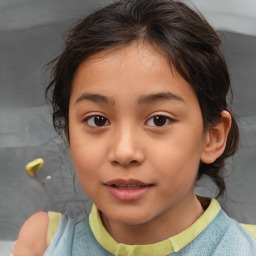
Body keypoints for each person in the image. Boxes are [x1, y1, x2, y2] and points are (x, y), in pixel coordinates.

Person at [13, 0, 256, 255]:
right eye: (98, 120)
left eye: (159, 120)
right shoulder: (44, 244)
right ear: (69, 135)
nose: (124, 152)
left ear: (212, 137)